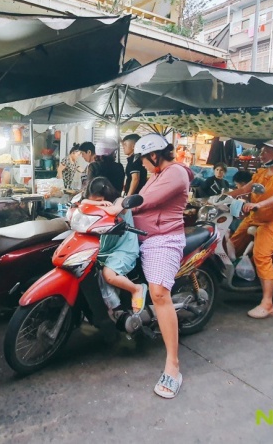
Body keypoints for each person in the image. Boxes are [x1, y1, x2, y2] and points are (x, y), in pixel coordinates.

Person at [132, 134, 193, 399]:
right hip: (141, 236)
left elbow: (144, 202)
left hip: (163, 240)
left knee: (159, 294)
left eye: (144, 159)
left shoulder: (176, 172)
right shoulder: (155, 175)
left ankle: (173, 364)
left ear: (154, 156)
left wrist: (118, 203)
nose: (142, 165)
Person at [225, 140, 273, 320]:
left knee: (261, 256)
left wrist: (258, 204)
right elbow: (245, 189)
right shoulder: (261, 173)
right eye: (261, 152)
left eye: (266, 152)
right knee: (232, 244)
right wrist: (219, 197)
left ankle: (267, 303)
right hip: (256, 217)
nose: (261, 155)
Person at [83, 177, 146, 313]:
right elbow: (81, 204)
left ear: (108, 195)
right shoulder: (99, 203)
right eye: (93, 201)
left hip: (124, 249)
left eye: (100, 200)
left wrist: (99, 204)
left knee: (108, 274)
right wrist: (95, 202)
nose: (97, 205)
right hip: (105, 248)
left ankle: (136, 289)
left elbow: (113, 211)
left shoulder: (119, 201)